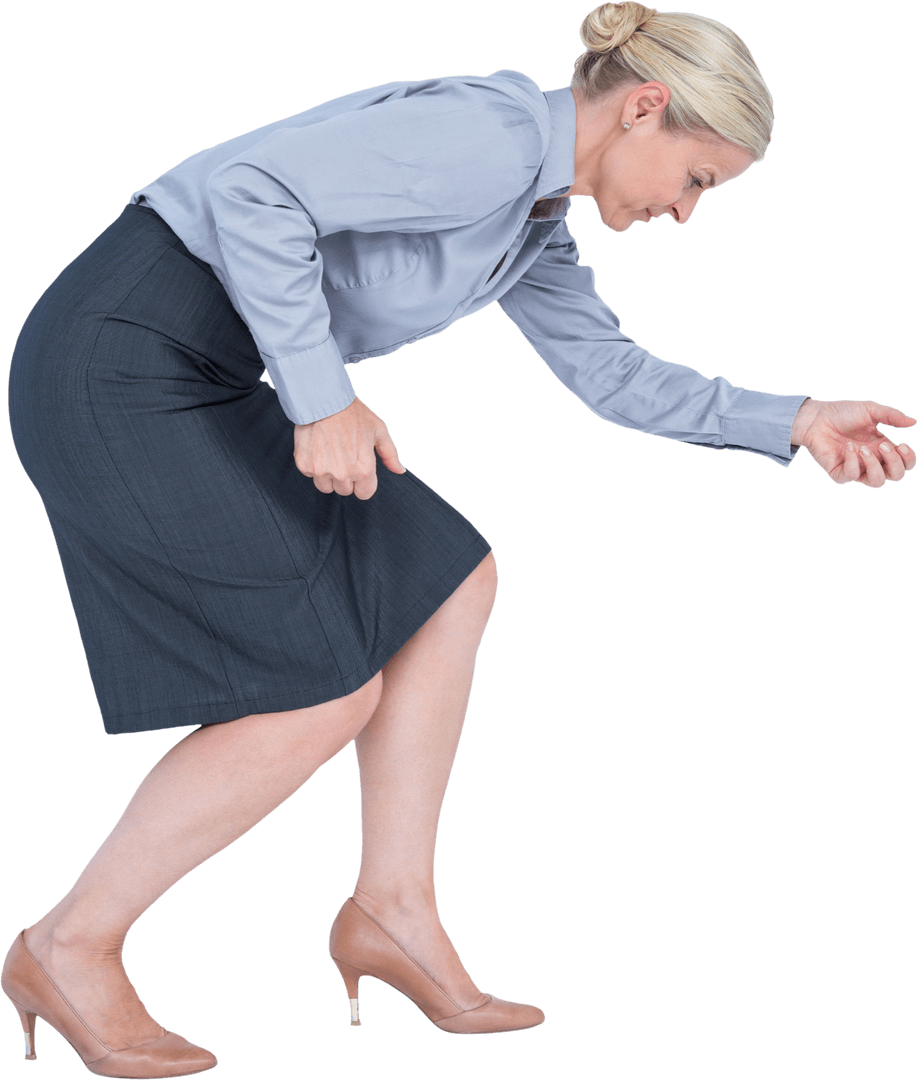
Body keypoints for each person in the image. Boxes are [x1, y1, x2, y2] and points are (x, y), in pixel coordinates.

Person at [3, 2, 915, 1076]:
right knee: (317, 693)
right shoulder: (483, 137)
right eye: (697, 179)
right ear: (644, 107)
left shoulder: (535, 223)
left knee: (446, 581)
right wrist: (321, 399)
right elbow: (250, 189)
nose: (683, 211)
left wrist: (799, 420)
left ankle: (392, 910)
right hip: (124, 363)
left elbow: (613, 374)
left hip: (218, 374)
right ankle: (69, 945)